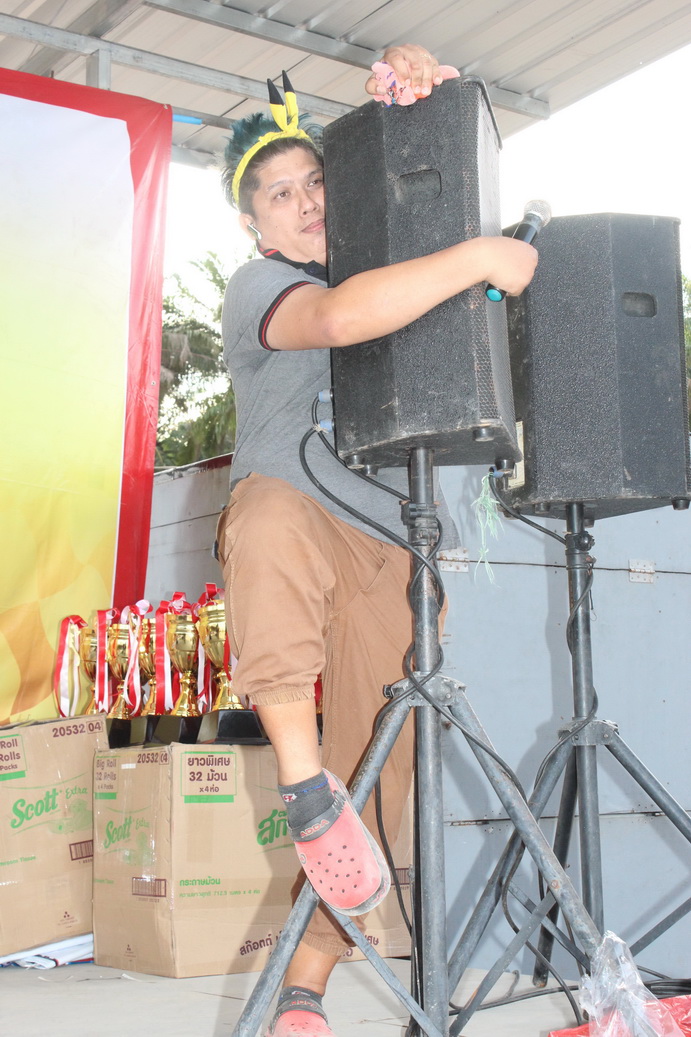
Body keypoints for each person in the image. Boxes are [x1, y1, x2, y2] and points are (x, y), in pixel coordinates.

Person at [216, 43, 537, 1037]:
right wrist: (479, 258)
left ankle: (304, 985)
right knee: (266, 524)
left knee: (384, 776)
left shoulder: (390, 260)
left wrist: (415, 95)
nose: (305, 202)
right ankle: (301, 784)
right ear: (253, 223)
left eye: (315, 181)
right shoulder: (257, 285)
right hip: (296, 507)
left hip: (392, 541)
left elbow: (431, 186)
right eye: (279, 194)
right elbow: (340, 318)